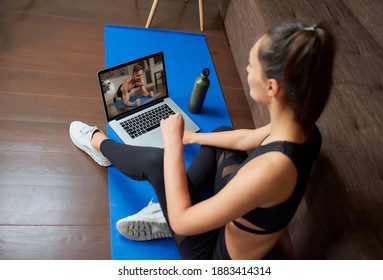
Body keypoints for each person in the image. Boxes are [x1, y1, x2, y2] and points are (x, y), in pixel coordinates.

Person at [69, 21, 336, 259]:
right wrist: (190, 137)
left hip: (212, 255)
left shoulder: (271, 170)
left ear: (272, 87)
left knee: (158, 161)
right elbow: (247, 139)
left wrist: (173, 142)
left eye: (252, 65)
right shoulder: (301, 126)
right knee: (218, 134)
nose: (246, 68)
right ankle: (167, 208)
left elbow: (184, 222)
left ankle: (97, 143)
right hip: (240, 214)